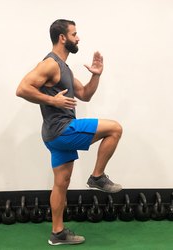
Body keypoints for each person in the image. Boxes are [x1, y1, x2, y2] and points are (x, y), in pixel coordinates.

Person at [16, 19, 122, 245]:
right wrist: (50, 99)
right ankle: (97, 177)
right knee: (114, 128)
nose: (78, 38)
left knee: (61, 183)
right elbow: (22, 88)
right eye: (74, 34)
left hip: (54, 135)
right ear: (62, 37)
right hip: (62, 130)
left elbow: (84, 94)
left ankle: (57, 233)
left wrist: (96, 74)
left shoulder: (64, 67)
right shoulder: (50, 64)